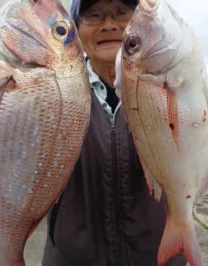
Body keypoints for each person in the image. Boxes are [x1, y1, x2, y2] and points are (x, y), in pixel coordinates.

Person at [42, 0, 188, 265]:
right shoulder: (52, 92)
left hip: (158, 255)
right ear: (75, 29)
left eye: (122, 14)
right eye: (94, 16)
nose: (109, 25)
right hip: (72, 258)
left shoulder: (166, 86)